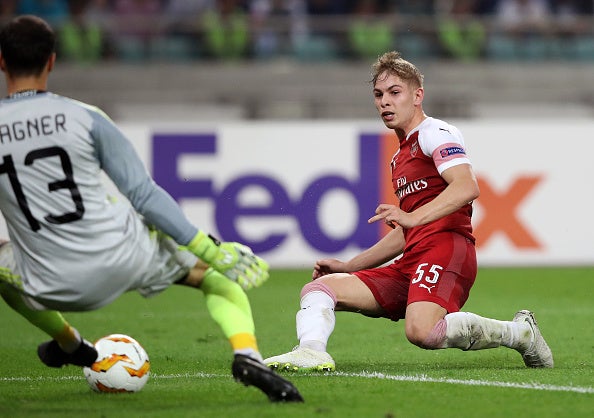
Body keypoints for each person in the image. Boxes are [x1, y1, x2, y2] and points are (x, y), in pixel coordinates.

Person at [0, 15, 302, 402]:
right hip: (124, 258)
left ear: (3, 61)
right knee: (214, 277)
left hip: (47, 280)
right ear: (53, 61)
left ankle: (69, 342)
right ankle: (247, 355)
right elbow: (144, 195)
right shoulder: (86, 118)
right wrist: (211, 250)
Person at [263, 50, 554, 372]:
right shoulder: (399, 157)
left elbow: (466, 186)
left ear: (418, 95)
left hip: (446, 249)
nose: (384, 102)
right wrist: (348, 265)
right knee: (319, 289)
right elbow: (407, 230)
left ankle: (521, 334)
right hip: (413, 259)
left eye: (394, 92)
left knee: (422, 332)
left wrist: (412, 217)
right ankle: (311, 352)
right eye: (378, 94)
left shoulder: (435, 133)